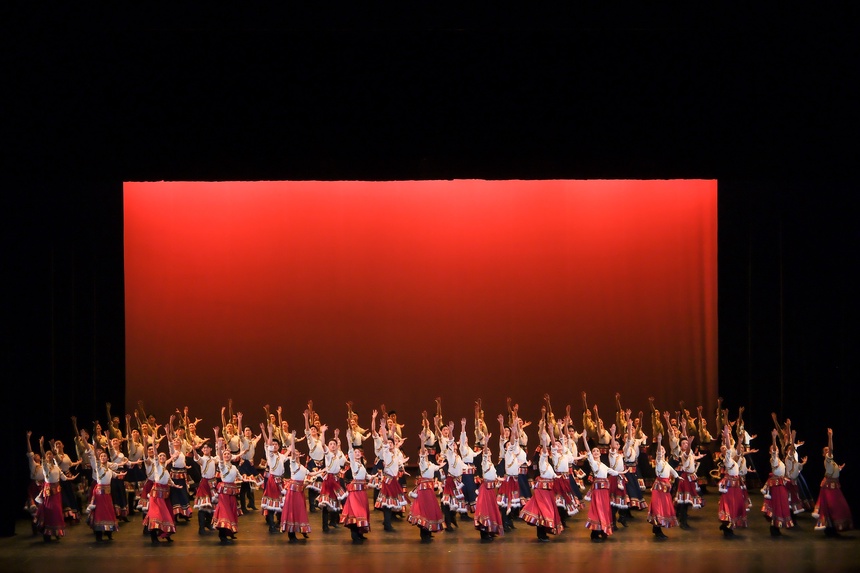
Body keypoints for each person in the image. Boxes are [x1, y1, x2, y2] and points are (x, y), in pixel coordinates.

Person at [520, 419, 563, 541]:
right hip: (541, 490)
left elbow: (553, 474)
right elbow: (545, 450)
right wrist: (544, 441)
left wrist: (551, 432)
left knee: (545, 510)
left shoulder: (550, 463)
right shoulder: (542, 461)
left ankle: (542, 533)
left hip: (548, 489)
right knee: (543, 510)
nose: (546, 453)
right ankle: (541, 534)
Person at [583, 429, 625, 542]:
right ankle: (595, 533)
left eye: (597, 451)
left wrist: (622, 473)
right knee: (598, 509)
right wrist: (584, 439)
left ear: (600, 453)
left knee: (605, 509)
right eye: (594, 451)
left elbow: (613, 472)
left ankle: (602, 529)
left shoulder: (603, 465)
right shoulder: (593, 462)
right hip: (598, 491)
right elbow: (588, 451)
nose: (596, 452)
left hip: (605, 490)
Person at [28, 433, 70, 542]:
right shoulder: (45, 466)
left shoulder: (56, 467)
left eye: (50, 454)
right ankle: (47, 533)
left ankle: (57, 531)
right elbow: (43, 455)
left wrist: (71, 478)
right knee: (50, 510)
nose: (49, 455)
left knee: (57, 511)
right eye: (47, 455)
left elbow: (63, 477)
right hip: (48, 492)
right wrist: (41, 446)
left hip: (57, 492)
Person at [142, 422, 179, 544]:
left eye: (164, 456)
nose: (162, 457)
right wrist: (152, 442)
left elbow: (168, 477)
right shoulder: (156, 465)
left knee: (166, 514)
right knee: (156, 515)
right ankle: (154, 537)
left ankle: (165, 534)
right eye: (160, 456)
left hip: (164, 494)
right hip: (156, 494)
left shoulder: (165, 468)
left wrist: (175, 485)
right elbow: (156, 456)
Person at [812, 428, 853, 536]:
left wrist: (839, 469)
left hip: (834, 486)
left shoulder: (832, 462)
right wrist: (830, 437)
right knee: (832, 507)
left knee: (837, 507)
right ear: (823, 454)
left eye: (828, 450)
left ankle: (832, 528)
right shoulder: (827, 460)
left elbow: (832, 472)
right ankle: (829, 529)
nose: (828, 451)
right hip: (829, 488)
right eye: (825, 451)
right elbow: (831, 449)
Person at [85, 437, 123, 542]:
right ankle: (98, 535)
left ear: (107, 458)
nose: (102, 457)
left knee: (109, 512)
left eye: (104, 456)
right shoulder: (98, 467)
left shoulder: (109, 470)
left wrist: (121, 474)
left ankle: (109, 532)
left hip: (107, 494)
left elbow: (115, 475)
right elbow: (96, 458)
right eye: (101, 456)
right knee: (100, 513)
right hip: (100, 494)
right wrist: (94, 448)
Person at [374, 418, 409, 531]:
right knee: (387, 502)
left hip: (394, 480)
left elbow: (399, 462)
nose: (389, 444)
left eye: (391, 443)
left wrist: (393, 433)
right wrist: (383, 429)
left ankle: (387, 522)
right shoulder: (386, 453)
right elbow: (385, 441)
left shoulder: (396, 453)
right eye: (388, 443)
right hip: (388, 480)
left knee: (390, 502)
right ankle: (387, 524)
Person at [280, 435, 315, 542]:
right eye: (293, 453)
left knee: (300, 510)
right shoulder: (293, 463)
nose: (295, 454)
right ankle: (291, 534)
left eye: (297, 453)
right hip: (293, 491)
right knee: (292, 510)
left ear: (300, 454)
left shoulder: (303, 467)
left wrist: (323, 471)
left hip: (300, 491)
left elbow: (311, 473)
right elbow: (292, 455)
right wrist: (293, 439)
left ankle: (302, 529)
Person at [761, 429, 795, 536]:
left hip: (780, 483)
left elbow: (790, 451)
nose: (775, 450)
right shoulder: (774, 460)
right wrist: (774, 438)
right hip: (776, 485)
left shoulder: (780, 461)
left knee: (781, 504)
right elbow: (775, 450)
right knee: (777, 505)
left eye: (775, 448)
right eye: (772, 449)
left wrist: (792, 439)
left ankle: (776, 526)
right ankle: (774, 526)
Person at [340, 427, 371, 543]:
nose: (357, 453)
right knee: (356, 511)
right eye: (355, 452)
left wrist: (374, 477)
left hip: (362, 491)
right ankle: (354, 534)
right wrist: (349, 439)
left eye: (359, 452)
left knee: (363, 511)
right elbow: (350, 450)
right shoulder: (353, 463)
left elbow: (366, 476)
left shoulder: (361, 465)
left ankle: (360, 533)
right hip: (355, 492)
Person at [211, 428, 240, 544]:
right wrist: (219, 446)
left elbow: (240, 477)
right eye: (225, 454)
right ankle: (222, 535)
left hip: (232, 492)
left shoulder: (234, 467)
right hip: (224, 493)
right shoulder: (222, 466)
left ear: (231, 456)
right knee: (224, 512)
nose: (227, 455)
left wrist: (250, 479)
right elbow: (220, 457)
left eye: (228, 454)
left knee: (232, 511)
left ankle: (230, 532)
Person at [717, 425, 748, 537]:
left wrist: (739, 441)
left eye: (725, 448)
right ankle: (727, 528)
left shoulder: (733, 460)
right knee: (730, 506)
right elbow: (729, 449)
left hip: (736, 486)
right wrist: (726, 436)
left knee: (736, 505)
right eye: (723, 449)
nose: (725, 449)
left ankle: (726, 526)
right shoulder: (727, 460)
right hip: (730, 487)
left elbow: (738, 453)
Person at [647, 434, 679, 540]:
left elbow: (673, 471)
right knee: (658, 508)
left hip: (665, 488)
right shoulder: (659, 461)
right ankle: (658, 530)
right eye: (659, 450)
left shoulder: (666, 463)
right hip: (659, 487)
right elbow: (659, 455)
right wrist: (659, 441)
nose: (661, 451)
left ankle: (656, 529)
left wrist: (678, 476)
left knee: (663, 507)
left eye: (662, 449)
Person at [473, 432, 503, 542]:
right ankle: (484, 533)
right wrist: (486, 442)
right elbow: (485, 453)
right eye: (487, 451)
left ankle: (490, 530)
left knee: (491, 510)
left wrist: (500, 479)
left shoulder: (491, 465)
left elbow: (493, 476)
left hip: (491, 490)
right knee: (485, 510)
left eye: (489, 451)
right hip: (485, 490)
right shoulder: (484, 463)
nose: (488, 452)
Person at [192, 441, 218, 535]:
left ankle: (208, 523)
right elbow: (197, 458)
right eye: (203, 448)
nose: (205, 449)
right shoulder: (202, 459)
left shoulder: (213, 459)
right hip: (204, 483)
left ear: (211, 449)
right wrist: (194, 449)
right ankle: (201, 527)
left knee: (211, 504)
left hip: (212, 483)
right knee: (203, 506)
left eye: (207, 447)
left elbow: (220, 455)